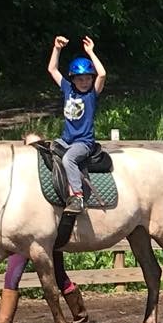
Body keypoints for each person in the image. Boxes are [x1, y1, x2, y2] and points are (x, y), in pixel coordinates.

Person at [48, 34, 108, 211]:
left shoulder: (91, 94)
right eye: (80, 79)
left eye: (88, 78)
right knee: (42, 149)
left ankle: (77, 197)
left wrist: (91, 52)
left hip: (83, 143)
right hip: (65, 139)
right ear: (73, 79)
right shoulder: (67, 88)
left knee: (68, 159)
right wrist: (57, 49)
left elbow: (102, 74)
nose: (85, 82)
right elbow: (52, 69)